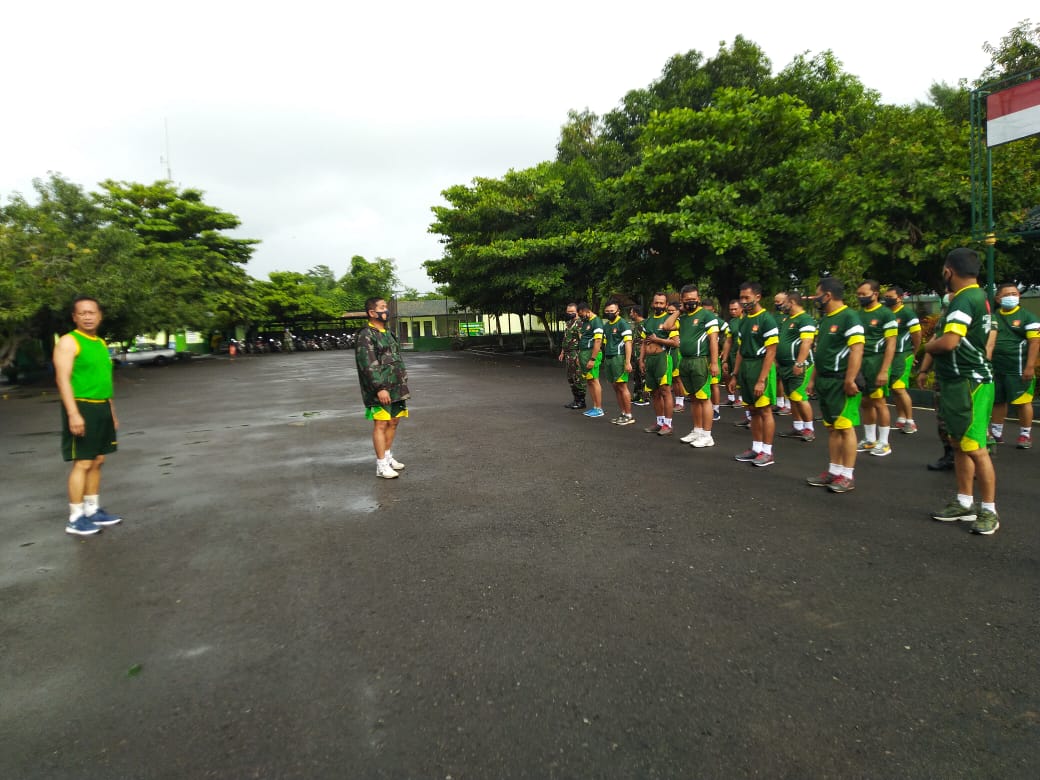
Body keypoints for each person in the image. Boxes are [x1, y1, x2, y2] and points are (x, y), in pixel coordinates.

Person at [921, 248, 999, 534]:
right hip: (958, 381)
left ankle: (989, 511)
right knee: (959, 444)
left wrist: (926, 347)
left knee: (976, 449)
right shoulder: (974, 297)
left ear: (949, 271)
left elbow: (949, 342)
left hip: (971, 382)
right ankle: (964, 503)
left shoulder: (965, 300)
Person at [53, 295, 123, 536]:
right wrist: (73, 413)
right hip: (81, 406)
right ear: (75, 317)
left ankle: (93, 510)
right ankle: (76, 517)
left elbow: (105, 381)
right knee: (82, 461)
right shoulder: (69, 342)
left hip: (101, 406)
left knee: (98, 460)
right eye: (82, 313)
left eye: (91, 312)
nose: (87, 316)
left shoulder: (101, 343)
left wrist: (111, 412)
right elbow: (62, 379)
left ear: (99, 315)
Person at [805, 278, 864, 493]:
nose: (815, 298)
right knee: (832, 428)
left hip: (842, 381)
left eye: (817, 294)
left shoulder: (850, 317)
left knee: (845, 427)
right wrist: (812, 380)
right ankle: (834, 470)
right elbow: (822, 354)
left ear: (827, 295)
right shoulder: (825, 319)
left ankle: (847, 475)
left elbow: (857, 350)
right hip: (825, 380)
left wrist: (850, 379)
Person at [355, 296, 410, 479]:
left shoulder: (389, 333)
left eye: (386, 307)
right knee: (381, 423)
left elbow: (396, 358)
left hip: (396, 386)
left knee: (394, 421)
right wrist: (380, 388)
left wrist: (403, 379)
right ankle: (380, 465)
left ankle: (387, 457)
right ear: (372, 312)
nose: (386, 310)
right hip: (380, 389)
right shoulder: (366, 335)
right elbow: (368, 364)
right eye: (382, 307)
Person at [728, 281, 779, 467]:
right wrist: (734, 375)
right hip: (746, 368)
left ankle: (768, 451)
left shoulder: (767, 320)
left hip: (761, 367)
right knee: (752, 410)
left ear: (757, 297)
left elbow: (771, 351)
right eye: (741, 298)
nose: (743, 301)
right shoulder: (744, 320)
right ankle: (756, 448)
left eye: (746, 298)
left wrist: (762, 379)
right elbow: (740, 350)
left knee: (764, 411)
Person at [989, 282, 1039, 449]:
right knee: (998, 401)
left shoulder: (1028, 317)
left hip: (1018, 369)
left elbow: (1035, 342)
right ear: (998, 298)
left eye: (1015, 294)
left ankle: (1025, 435)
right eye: (1006, 295)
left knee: (1022, 402)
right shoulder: (993, 316)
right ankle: (996, 433)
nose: (1011, 297)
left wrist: (1030, 366)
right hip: (996, 368)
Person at [670, 285, 720, 448]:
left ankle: (707, 435)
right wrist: (679, 311)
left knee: (704, 398)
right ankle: (697, 430)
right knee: (693, 398)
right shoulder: (683, 318)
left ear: (698, 298)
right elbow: (666, 326)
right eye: (687, 300)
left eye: (693, 299)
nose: (691, 302)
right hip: (685, 361)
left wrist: (714, 363)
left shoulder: (707, 315)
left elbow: (713, 340)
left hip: (701, 361)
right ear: (682, 301)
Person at [854, 280, 898, 457]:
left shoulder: (886, 314)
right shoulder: (858, 315)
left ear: (875, 294)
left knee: (879, 402)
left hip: (876, 362)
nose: (860, 297)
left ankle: (884, 442)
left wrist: (884, 370)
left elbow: (891, 344)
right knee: (865, 402)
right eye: (859, 294)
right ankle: (869, 439)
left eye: (864, 294)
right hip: (861, 362)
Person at [775, 291, 818, 443]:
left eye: (783, 302)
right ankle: (798, 427)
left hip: (801, 366)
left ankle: (809, 428)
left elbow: (807, 342)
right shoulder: (788, 319)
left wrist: (799, 362)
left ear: (791, 302)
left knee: (799, 397)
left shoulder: (805, 319)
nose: (781, 305)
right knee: (792, 398)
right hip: (785, 366)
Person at [882, 286, 922, 434]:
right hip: (889, 354)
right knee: (894, 388)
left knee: (899, 387)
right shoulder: (886, 313)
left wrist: (913, 353)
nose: (887, 299)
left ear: (900, 298)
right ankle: (901, 418)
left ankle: (910, 421)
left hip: (902, 354)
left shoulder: (907, 313)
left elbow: (917, 334)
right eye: (886, 296)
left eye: (890, 296)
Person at [640, 292, 679, 435]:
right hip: (650, 360)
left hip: (663, 358)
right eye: (656, 303)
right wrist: (641, 360)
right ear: (652, 303)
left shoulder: (670, 321)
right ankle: (659, 422)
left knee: (665, 391)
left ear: (666, 305)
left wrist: (658, 340)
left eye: (661, 303)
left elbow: (675, 343)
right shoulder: (648, 321)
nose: (658, 305)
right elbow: (644, 343)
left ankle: (668, 425)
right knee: (654, 393)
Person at [601, 301, 635, 425]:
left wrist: (627, 362)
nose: (610, 313)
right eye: (607, 311)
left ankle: (629, 415)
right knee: (615, 387)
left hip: (619, 358)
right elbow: (605, 343)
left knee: (622, 386)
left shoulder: (623, 324)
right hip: (609, 358)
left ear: (618, 311)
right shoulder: (607, 325)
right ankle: (623, 413)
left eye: (612, 311)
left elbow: (628, 343)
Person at [576, 302, 605, 418]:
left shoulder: (596, 321)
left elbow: (598, 341)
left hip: (592, 354)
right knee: (589, 381)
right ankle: (594, 406)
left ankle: (599, 408)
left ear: (586, 310)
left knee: (594, 380)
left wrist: (593, 358)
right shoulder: (586, 322)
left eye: (581, 314)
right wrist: (580, 356)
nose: (580, 316)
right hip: (584, 353)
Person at [558, 302, 586, 409]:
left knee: (578, 377)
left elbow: (582, 341)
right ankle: (575, 400)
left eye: (572, 312)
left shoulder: (580, 324)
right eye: (568, 312)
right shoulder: (569, 323)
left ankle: (581, 401)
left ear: (577, 312)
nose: (570, 313)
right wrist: (562, 352)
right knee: (570, 377)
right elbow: (566, 339)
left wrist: (580, 356)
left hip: (576, 353)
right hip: (568, 354)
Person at [720, 299, 745, 409]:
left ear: (741, 309)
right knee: (726, 375)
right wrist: (724, 358)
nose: (733, 311)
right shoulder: (732, 322)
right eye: (731, 309)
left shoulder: (746, 320)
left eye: (735, 309)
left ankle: (741, 399)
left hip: (741, 354)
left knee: (740, 376)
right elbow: (728, 340)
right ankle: (731, 398)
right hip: (731, 353)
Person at [666, 301, 687, 414]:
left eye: (672, 311)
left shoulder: (678, 322)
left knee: (677, 379)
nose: (670, 313)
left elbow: (676, 341)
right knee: (674, 379)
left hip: (677, 352)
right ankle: (677, 401)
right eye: (668, 311)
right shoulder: (669, 321)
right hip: (669, 352)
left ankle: (680, 402)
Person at [628, 306, 650, 406]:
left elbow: (645, 341)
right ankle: (637, 395)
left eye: (631, 312)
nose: (630, 314)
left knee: (643, 375)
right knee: (636, 376)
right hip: (635, 354)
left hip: (642, 354)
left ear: (636, 313)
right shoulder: (637, 325)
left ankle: (644, 398)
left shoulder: (645, 324)